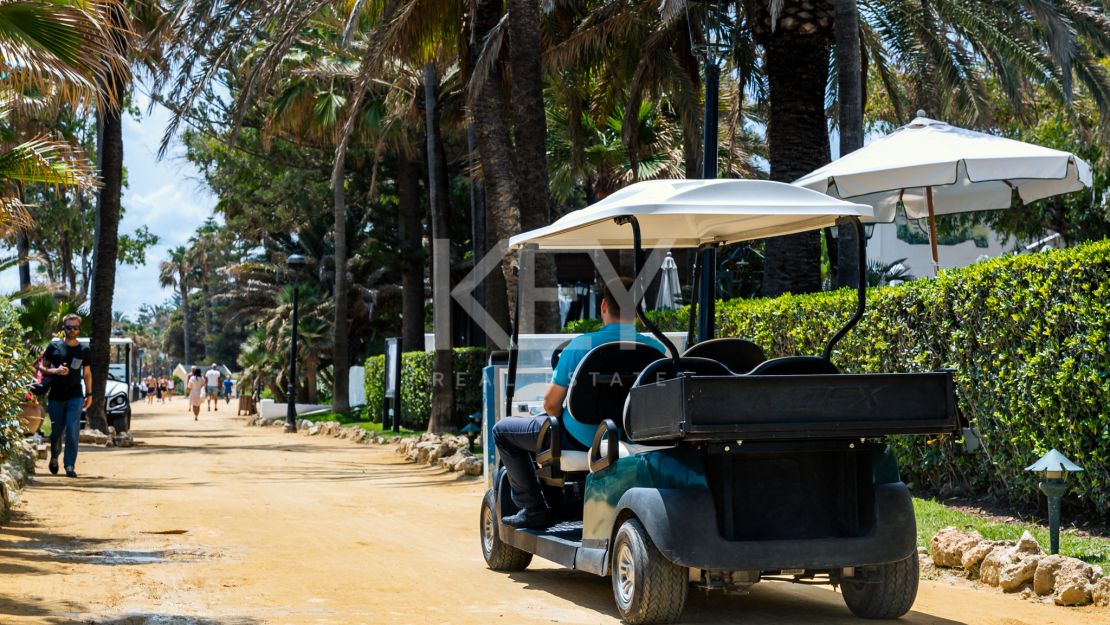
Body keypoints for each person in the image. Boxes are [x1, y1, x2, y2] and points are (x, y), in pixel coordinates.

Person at [493, 277, 664, 529]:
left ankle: (532, 508)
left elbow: (551, 406)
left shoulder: (580, 345)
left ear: (604, 305)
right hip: (634, 435)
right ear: (638, 310)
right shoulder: (656, 348)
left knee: (502, 431)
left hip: (582, 439)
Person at [39, 314, 92, 478]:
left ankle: (69, 464)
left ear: (79, 329)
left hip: (75, 396)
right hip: (55, 396)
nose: (72, 330)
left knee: (72, 429)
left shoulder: (84, 350)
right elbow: (42, 367)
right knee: (56, 433)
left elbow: (88, 374)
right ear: (64, 328)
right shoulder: (54, 346)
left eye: (75, 327)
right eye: (69, 327)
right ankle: (54, 456)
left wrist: (89, 394)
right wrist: (55, 371)